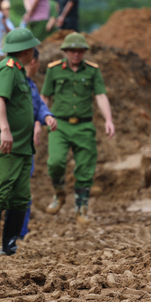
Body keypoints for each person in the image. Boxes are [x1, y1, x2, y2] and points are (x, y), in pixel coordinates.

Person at [0, 48, 56, 240]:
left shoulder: (30, 86)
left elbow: (39, 106)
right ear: (33, 62)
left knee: (22, 190)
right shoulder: (6, 77)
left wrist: (47, 117)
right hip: (2, 144)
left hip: (22, 146)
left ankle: (18, 234)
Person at [0, 29, 54, 257]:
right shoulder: (7, 69)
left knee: (21, 196)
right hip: (4, 146)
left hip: (22, 147)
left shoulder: (21, 74)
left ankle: (10, 243)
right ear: (25, 50)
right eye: (31, 47)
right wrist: (4, 129)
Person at [41, 33, 115, 224]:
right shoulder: (54, 70)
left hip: (83, 126)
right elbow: (45, 97)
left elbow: (100, 95)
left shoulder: (92, 71)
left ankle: (81, 209)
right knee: (55, 162)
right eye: (72, 50)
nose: (76, 54)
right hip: (59, 125)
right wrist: (38, 122)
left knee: (85, 169)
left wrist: (108, 119)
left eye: (80, 50)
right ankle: (59, 193)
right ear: (65, 51)